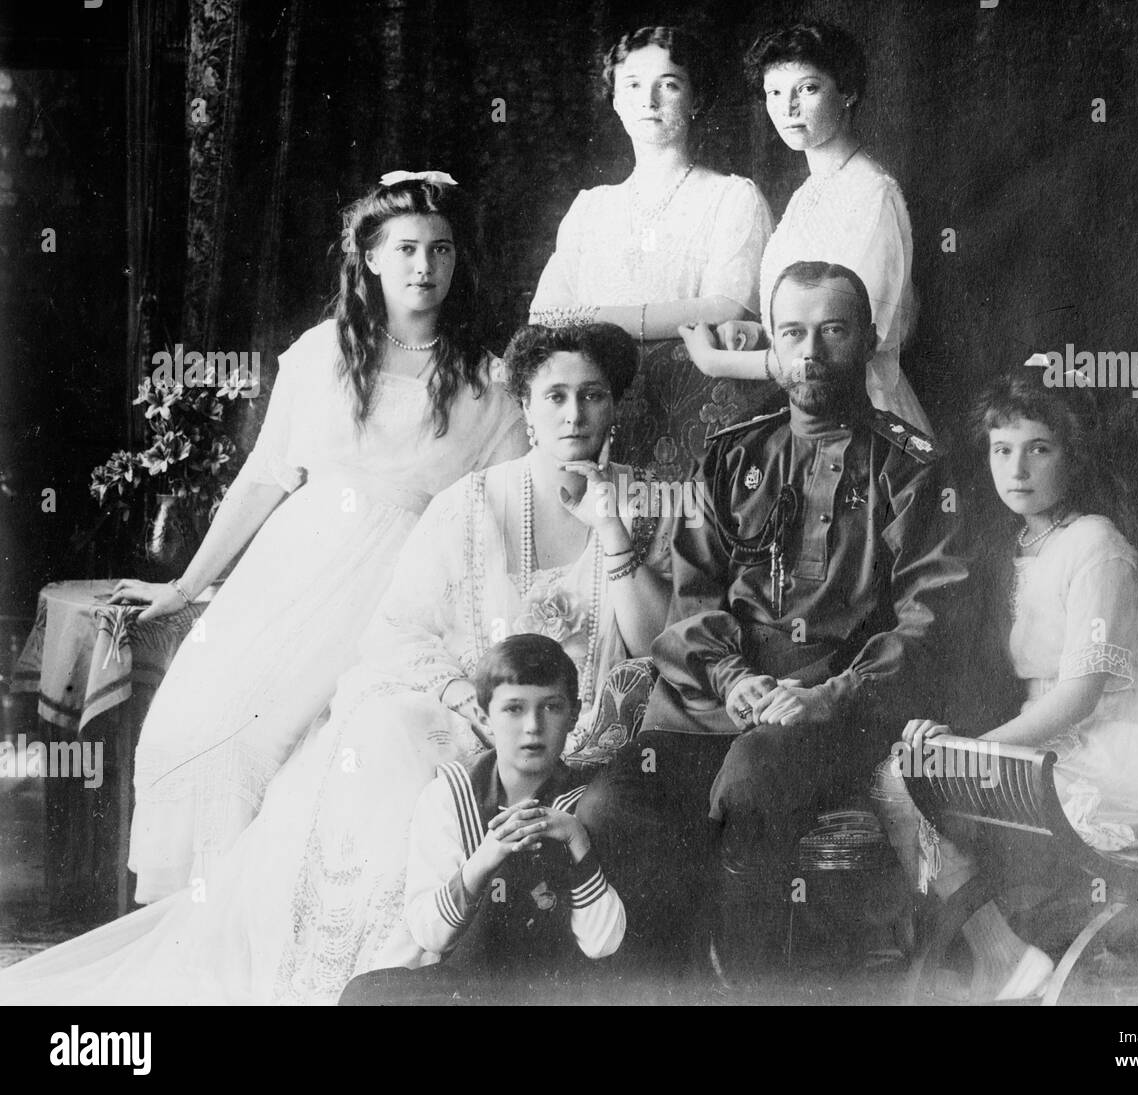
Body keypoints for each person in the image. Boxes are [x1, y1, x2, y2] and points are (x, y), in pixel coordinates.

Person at [0, 321, 670, 1005]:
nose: (574, 414)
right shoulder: (470, 503)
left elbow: (650, 639)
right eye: (555, 395)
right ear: (524, 406)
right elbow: (397, 629)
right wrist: (452, 692)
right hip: (470, 713)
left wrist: (611, 527)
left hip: (586, 726)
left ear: (614, 406)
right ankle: (381, 982)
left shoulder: (647, 502)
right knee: (388, 749)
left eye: (592, 396)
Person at [111, 171, 528, 902]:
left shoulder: (486, 383)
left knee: (298, 757)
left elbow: (506, 516)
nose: (424, 268)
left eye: (441, 250)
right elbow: (264, 477)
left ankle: (269, 934)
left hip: (397, 588)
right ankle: (201, 928)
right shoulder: (322, 354)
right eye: (404, 249)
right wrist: (184, 585)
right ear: (369, 256)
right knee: (194, 732)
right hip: (292, 567)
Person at [576, 261, 967, 982]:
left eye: (833, 331)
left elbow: (928, 622)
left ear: (869, 338)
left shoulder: (911, 470)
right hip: (711, 710)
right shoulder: (733, 456)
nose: (811, 352)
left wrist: (827, 696)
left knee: (750, 781)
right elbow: (693, 602)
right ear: (775, 346)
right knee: (610, 808)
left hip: (834, 716)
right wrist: (733, 680)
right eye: (793, 332)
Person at [870, 367, 1138, 1001]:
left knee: (910, 779)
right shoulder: (1011, 545)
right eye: (1001, 450)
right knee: (903, 776)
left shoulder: (1096, 543)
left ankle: (1008, 958)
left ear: (1073, 455)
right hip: (1052, 742)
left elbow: (1079, 695)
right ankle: (1002, 954)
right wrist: (945, 736)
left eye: (1039, 448)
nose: (1017, 469)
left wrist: (972, 746)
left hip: (1124, 752)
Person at [530, 24, 774, 480]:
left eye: (669, 84)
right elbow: (544, 317)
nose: (649, 100)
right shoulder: (591, 207)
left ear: (696, 99)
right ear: (617, 101)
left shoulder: (733, 198)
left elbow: (727, 307)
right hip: (595, 418)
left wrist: (598, 315)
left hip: (693, 423)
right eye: (634, 86)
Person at [338, 634, 625, 1006]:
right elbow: (431, 936)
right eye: (514, 709)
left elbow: (604, 944)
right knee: (365, 994)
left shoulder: (587, 803)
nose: (533, 727)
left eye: (551, 707)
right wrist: (485, 857)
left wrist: (577, 840)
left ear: (574, 714)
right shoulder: (451, 795)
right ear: (485, 716)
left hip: (556, 988)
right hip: (467, 984)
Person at [678, 21, 929, 431]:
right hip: (802, 410)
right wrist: (759, 331)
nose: (787, 107)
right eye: (774, 92)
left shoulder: (870, 195)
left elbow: (836, 351)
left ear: (847, 93)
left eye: (807, 89)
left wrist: (715, 360)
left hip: (856, 416)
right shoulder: (809, 192)